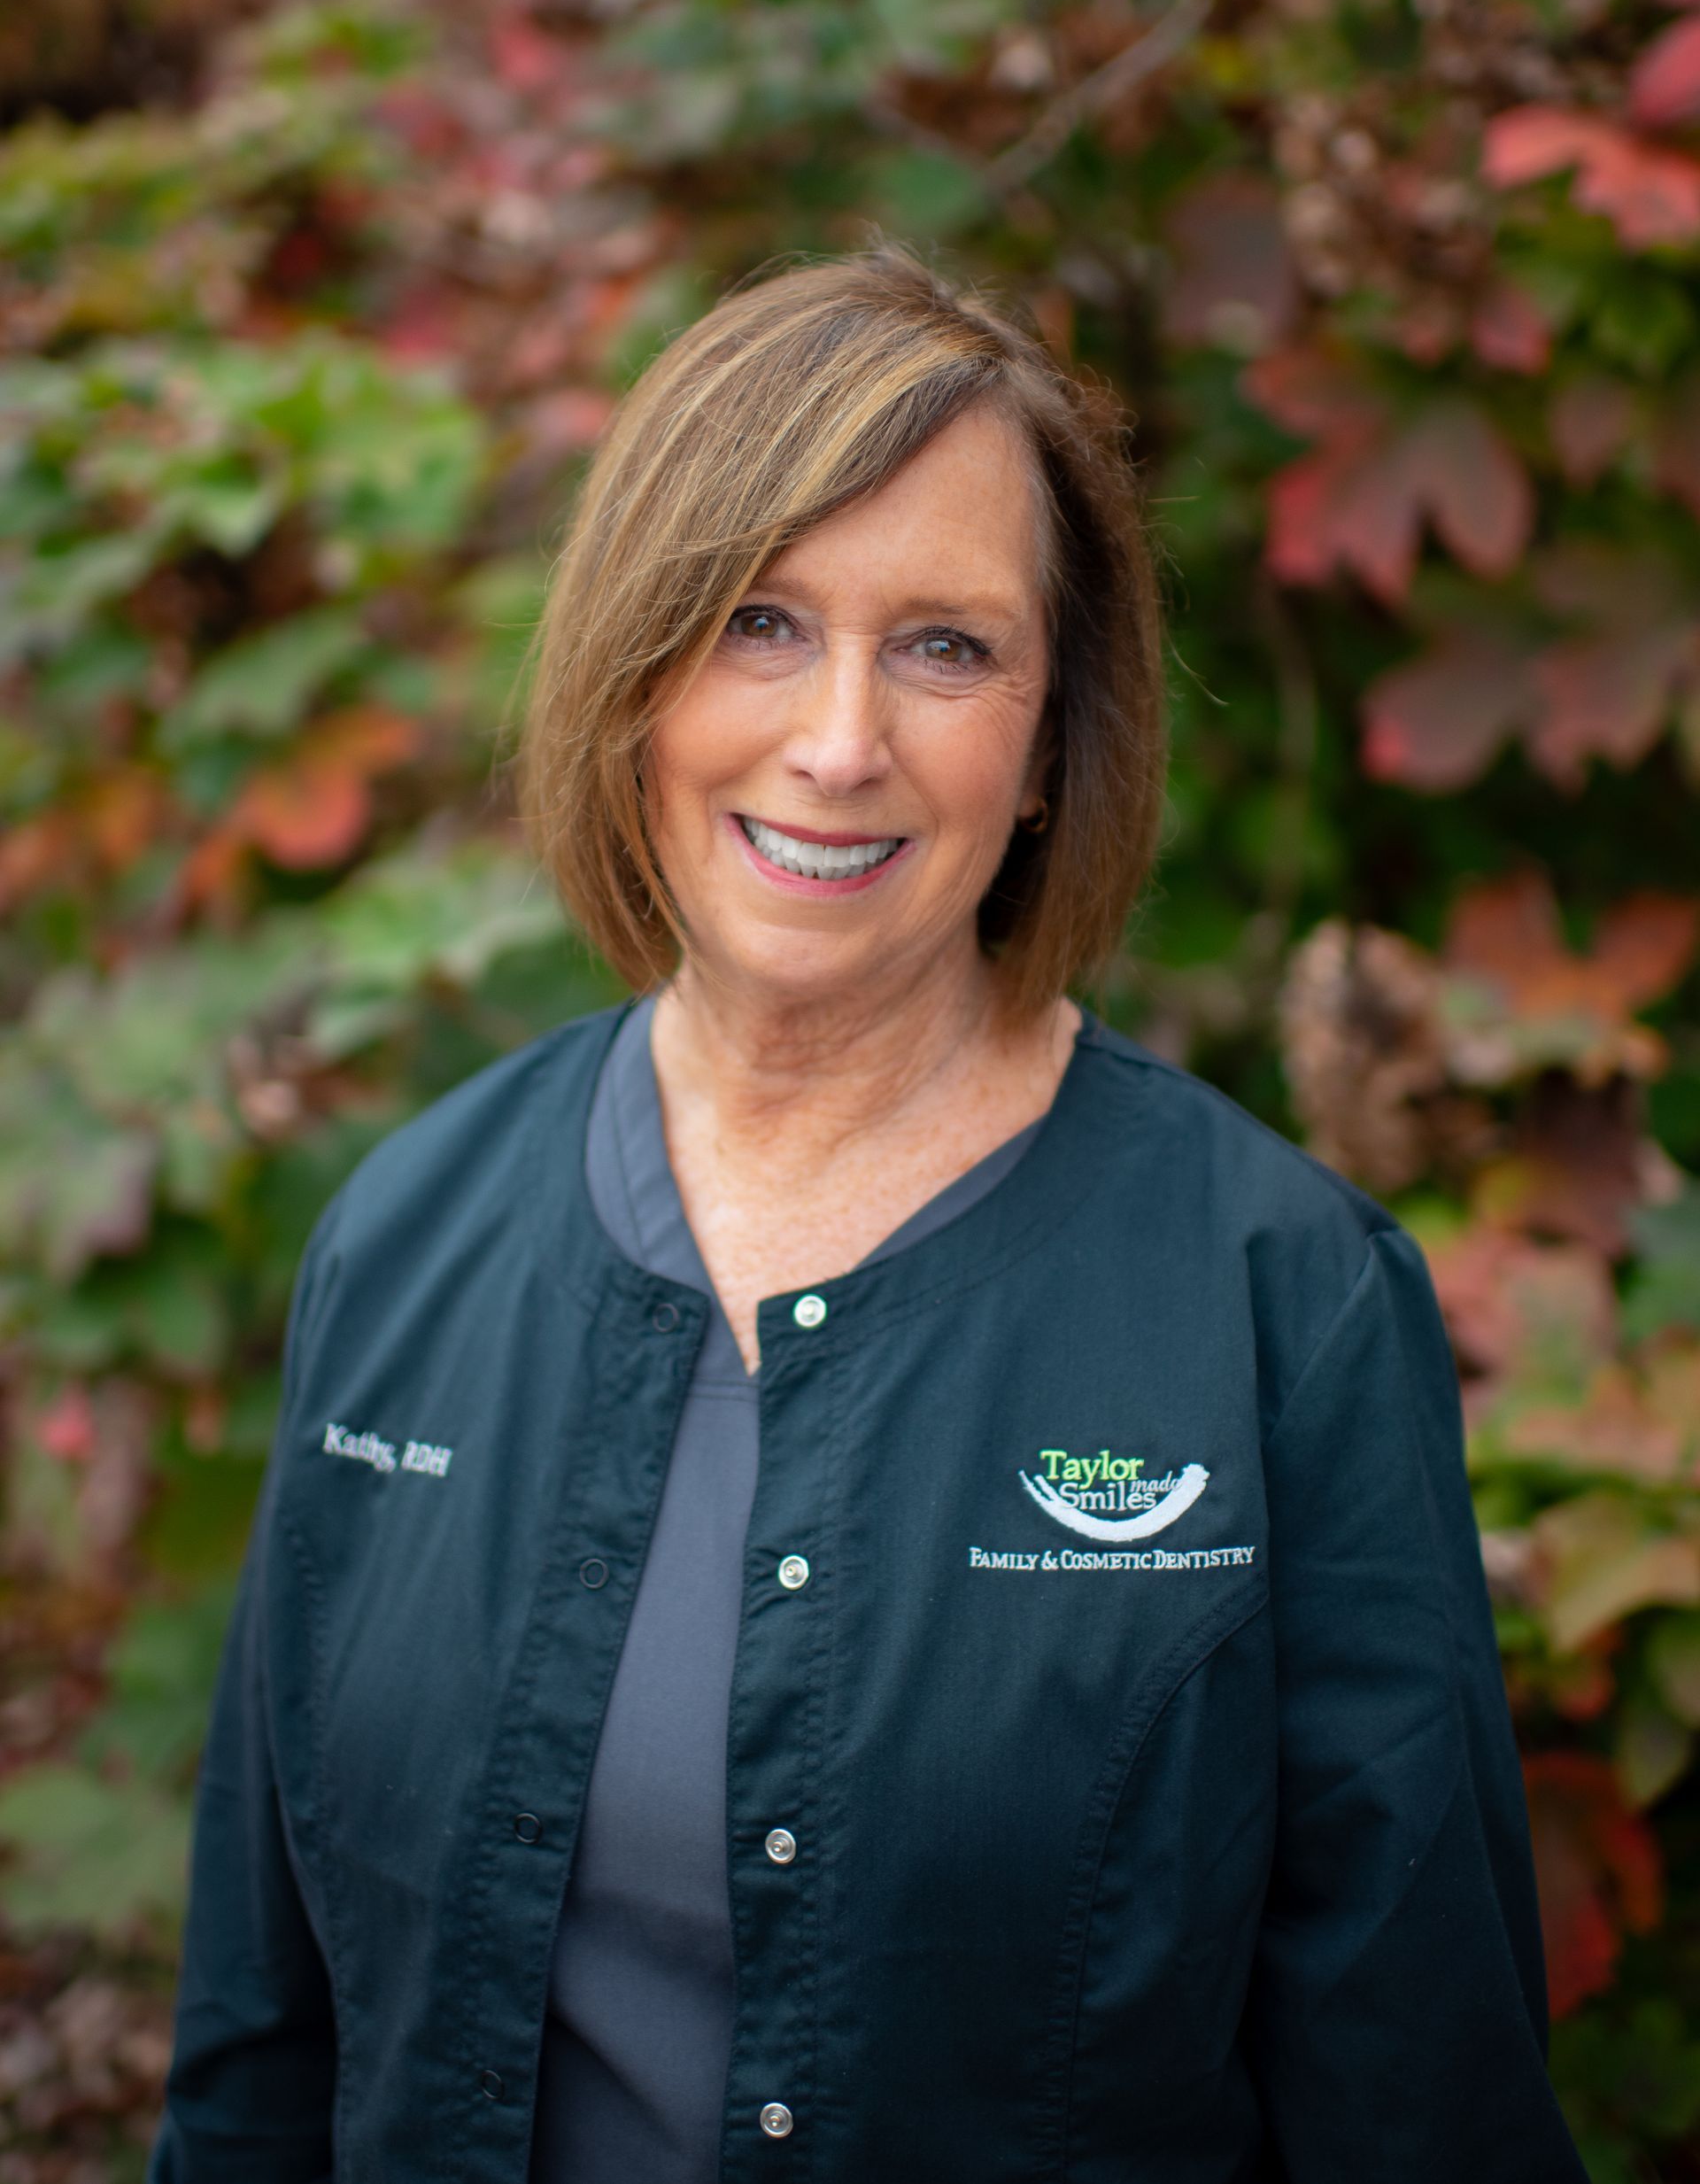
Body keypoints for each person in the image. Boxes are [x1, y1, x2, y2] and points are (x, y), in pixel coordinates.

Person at [151, 249, 1585, 2183]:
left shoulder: (1282, 1307)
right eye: (758, 620)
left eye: (945, 647)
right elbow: (259, 2059)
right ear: (632, 661)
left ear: (1050, 733)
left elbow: (1426, 2111)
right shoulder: (407, 1239)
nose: (838, 742)